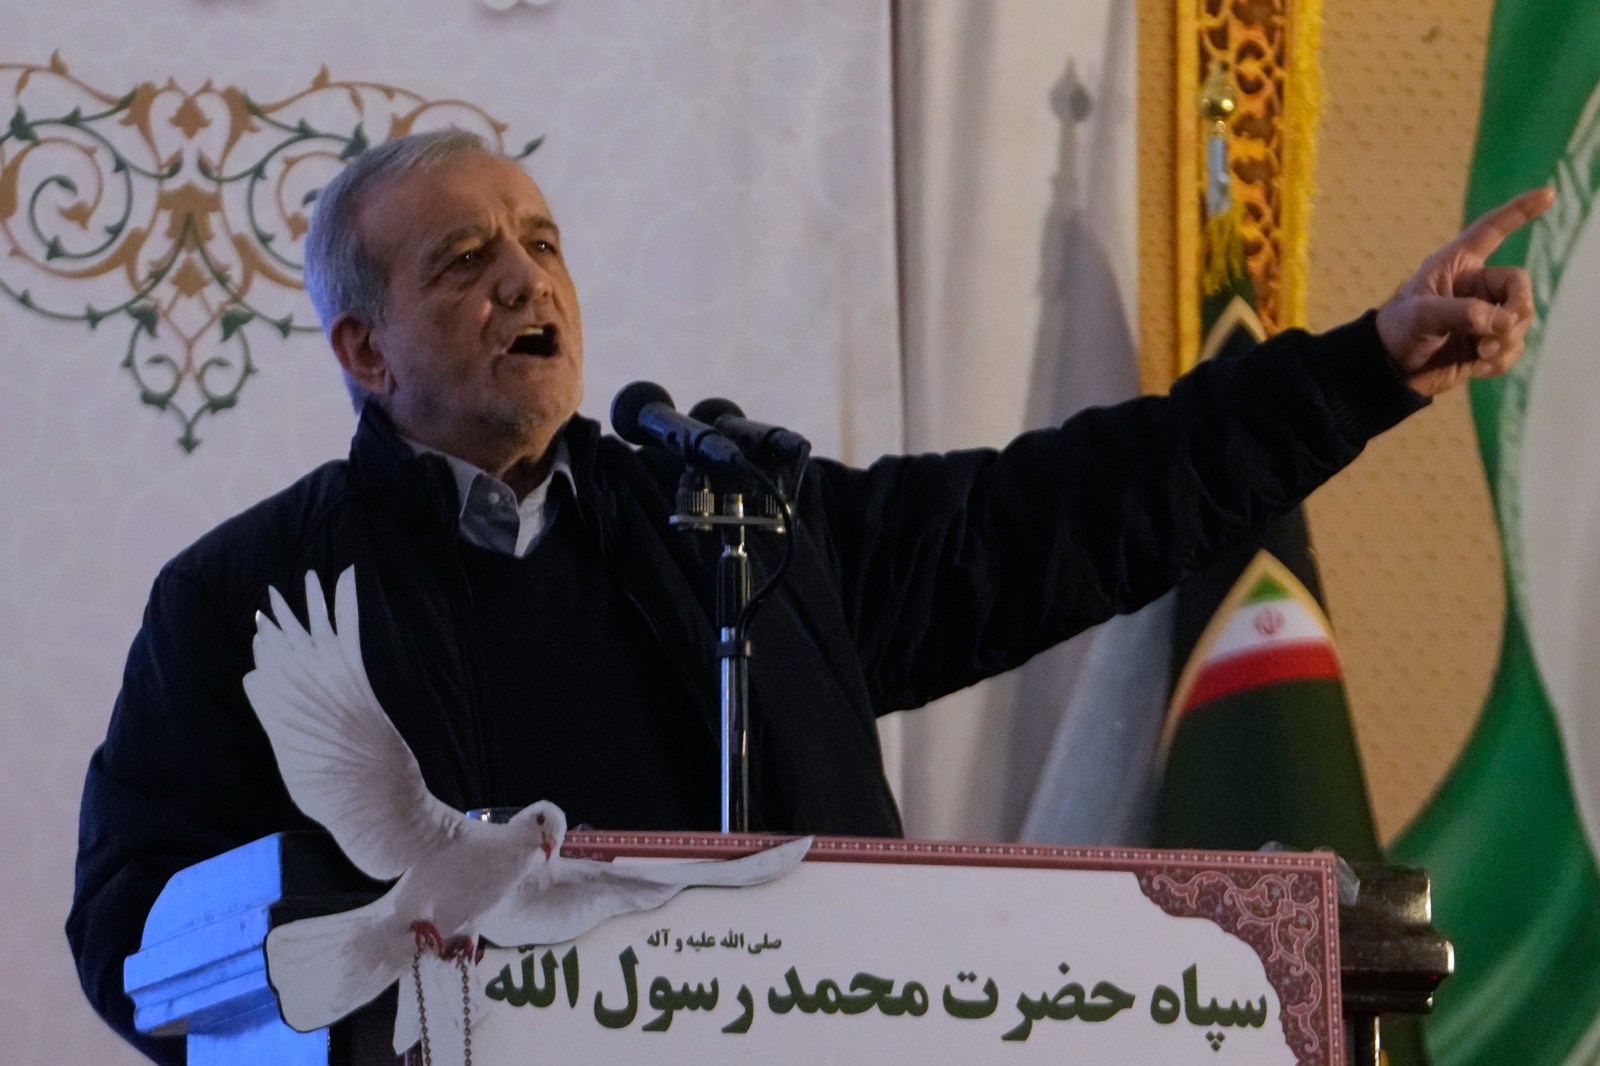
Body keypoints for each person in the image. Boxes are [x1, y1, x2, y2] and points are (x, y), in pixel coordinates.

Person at [66, 128, 1550, 1063]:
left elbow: (1062, 510)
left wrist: (1359, 371)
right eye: (466, 260)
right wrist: (353, 958)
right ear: (367, 351)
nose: (530, 280)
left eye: (544, 242)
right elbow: (132, 932)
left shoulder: (740, 518)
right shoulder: (240, 605)